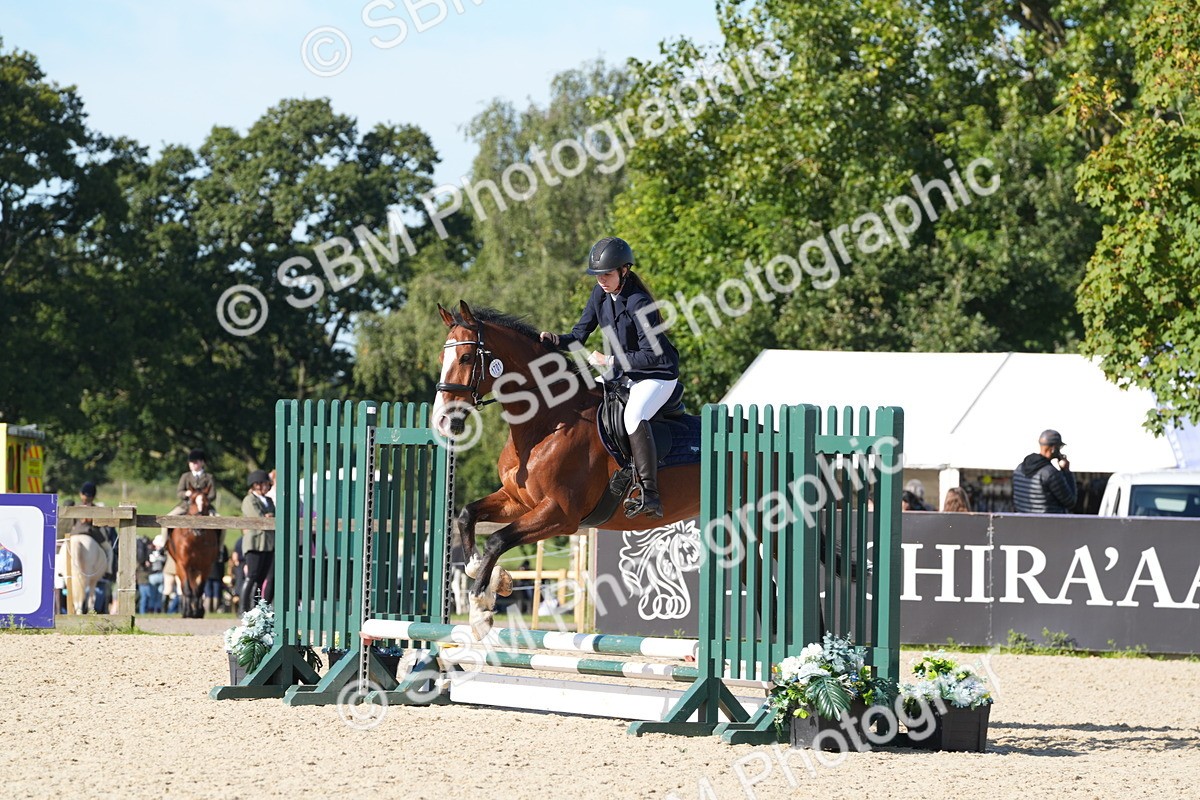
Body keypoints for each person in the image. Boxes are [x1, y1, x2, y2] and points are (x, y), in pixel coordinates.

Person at [538, 236, 680, 519]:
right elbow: (579, 335)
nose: (601, 280)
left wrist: (611, 361)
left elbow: (653, 356)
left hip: (657, 375)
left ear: (624, 271)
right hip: (623, 373)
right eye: (598, 275)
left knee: (632, 416)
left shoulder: (639, 303)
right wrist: (554, 340)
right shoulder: (599, 295)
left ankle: (650, 493)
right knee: (586, 401)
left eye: (607, 274)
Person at [1012, 429, 1077, 514]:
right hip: (1049, 523)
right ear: (1053, 449)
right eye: (1059, 447)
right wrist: (1066, 471)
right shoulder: (1050, 473)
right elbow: (1070, 501)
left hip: (1024, 522)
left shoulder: (1019, 468)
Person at [240, 468, 275, 612]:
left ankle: (255, 608)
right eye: (265, 484)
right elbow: (258, 517)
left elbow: (273, 516)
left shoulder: (268, 500)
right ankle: (243, 608)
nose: (267, 487)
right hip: (254, 543)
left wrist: (269, 516)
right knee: (251, 576)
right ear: (256, 485)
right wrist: (268, 517)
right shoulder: (249, 499)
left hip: (268, 544)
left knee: (261, 578)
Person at [167, 448, 218, 517]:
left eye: (195, 462)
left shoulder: (209, 477)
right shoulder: (185, 476)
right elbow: (179, 492)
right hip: (186, 506)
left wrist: (202, 499)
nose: (192, 464)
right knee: (167, 519)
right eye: (191, 462)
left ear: (202, 462)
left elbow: (212, 494)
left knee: (221, 524)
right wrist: (186, 493)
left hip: (205, 507)